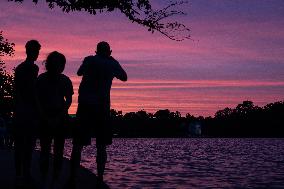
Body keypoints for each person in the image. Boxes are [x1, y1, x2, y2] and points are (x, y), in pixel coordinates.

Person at [69, 41, 127, 184]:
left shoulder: (89, 60)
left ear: (96, 51)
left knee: (78, 144)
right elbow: (124, 77)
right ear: (109, 51)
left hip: (85, 105)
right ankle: (100, 177)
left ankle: (72, 177)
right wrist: (112, 62)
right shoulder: (112, 63)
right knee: (101, 145)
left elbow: (79, 72)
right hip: (102, 107)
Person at [36, 51, 73, 179]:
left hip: (58, 116)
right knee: (47, 150)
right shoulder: (41, 79)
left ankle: (53, 178)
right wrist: (45, 116)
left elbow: (68, 100)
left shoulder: (64, 80)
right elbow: (37, 100)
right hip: (47, 116)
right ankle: (46, 177)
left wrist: (59, 115)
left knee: (56, 150)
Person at [13, 40, 41, 186]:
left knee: (20, 144)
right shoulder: (32, 68)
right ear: (33, 52)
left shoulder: (19, 68)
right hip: (28, 109)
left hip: (20, 109)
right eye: (37, 51)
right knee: (28, 143)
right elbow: (32, 90)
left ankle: (19, 174)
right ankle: (26, 174)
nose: (37, 54)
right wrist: (38, 108)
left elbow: (16, 90)